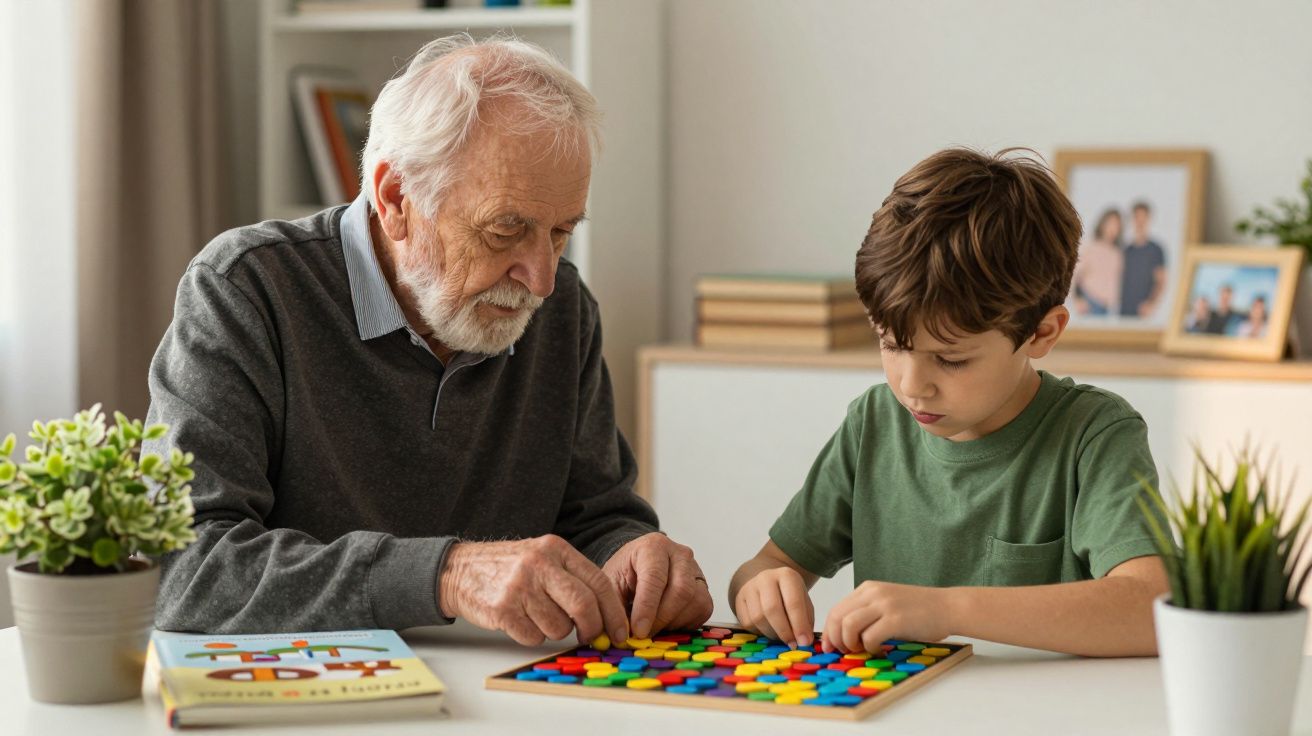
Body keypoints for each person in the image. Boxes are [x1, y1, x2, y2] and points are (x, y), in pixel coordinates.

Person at [145, 35, 713, 642]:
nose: (541, 280)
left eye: (560, 233)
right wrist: (446, 575)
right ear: (396, 199)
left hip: (498, 683)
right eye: (505, 230)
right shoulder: (245, 289)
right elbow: (186, 568)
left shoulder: (564, 309)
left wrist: (632, 554)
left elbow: (596, 516)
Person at [728, 149, 1169, 658]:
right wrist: (759, 587)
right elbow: (765, 565)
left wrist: (947, 610)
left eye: (950, 359)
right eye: (891, 344)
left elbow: (1152, 608)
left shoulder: (1094, 433)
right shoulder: (873, 423)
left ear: (1041, 333)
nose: (912, 385)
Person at [1070, 208, 1123, 316]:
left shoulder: (1117, 253)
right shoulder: (1090, 247)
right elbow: (1073, 274)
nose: (1113, 228)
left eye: (1117, 225)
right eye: (1110, 223)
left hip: (1109, 308)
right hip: (1091, 303)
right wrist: (1077, 300)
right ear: (1103, 224)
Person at [1119, 201, 1167, 319]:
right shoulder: (1126, 250)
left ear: (1148, 219)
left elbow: (1161, 281)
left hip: (1144, 313)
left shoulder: (1156, 250)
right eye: (1137, 217)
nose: (1140, 221)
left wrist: (1151, 304)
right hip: (1123, 311)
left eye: (1143, 217)